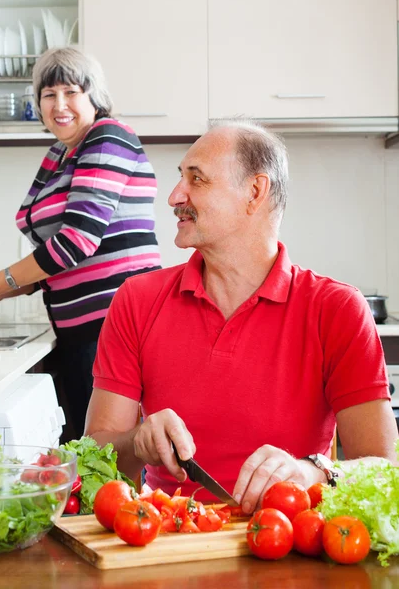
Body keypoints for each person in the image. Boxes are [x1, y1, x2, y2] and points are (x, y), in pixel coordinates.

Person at [85, 119, 399, 514]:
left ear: (255, 192)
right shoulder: (136, 299)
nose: (174, 196)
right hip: (170, 539)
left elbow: (384, 469)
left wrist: (311, 472)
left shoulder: (336, 310)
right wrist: (136, 441)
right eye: (180, 177)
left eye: (196, 179)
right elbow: (95, 454)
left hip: (289, 541)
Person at [0, 47, 161, 438]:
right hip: (80, 330)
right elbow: (54, 261)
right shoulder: (59, 154)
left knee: (112, 459)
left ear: (93, 97)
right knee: (91, 459)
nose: (59, 104)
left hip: (116, 324)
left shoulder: (108, 136)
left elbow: (74, 244)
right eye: (48, 95)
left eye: (71, 92)